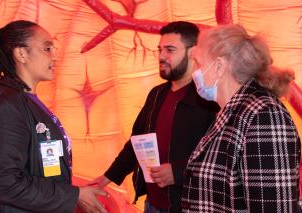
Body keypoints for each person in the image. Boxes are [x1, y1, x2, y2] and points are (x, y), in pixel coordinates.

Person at [0, 20, 107, 213]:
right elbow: (6, 183)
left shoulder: (25, 101)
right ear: (21, 54)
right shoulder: (6, 105)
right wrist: (74, 195)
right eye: (47, 48)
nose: (55, 56)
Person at [90, 21, 219, 213]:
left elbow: (220, 156)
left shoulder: (210, 98)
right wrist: (107, 178)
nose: (161, 56)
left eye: (170, 50)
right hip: (152, 204)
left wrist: (178, 172)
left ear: (193, 52)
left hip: (191, 205)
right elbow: (137, 142)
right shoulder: (157, 94)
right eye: (159, 50)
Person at [181, 24, 302, 212]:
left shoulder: (264, 116)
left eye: (198, 64)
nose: (195, 73)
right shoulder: (234, 111)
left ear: (219, 66)